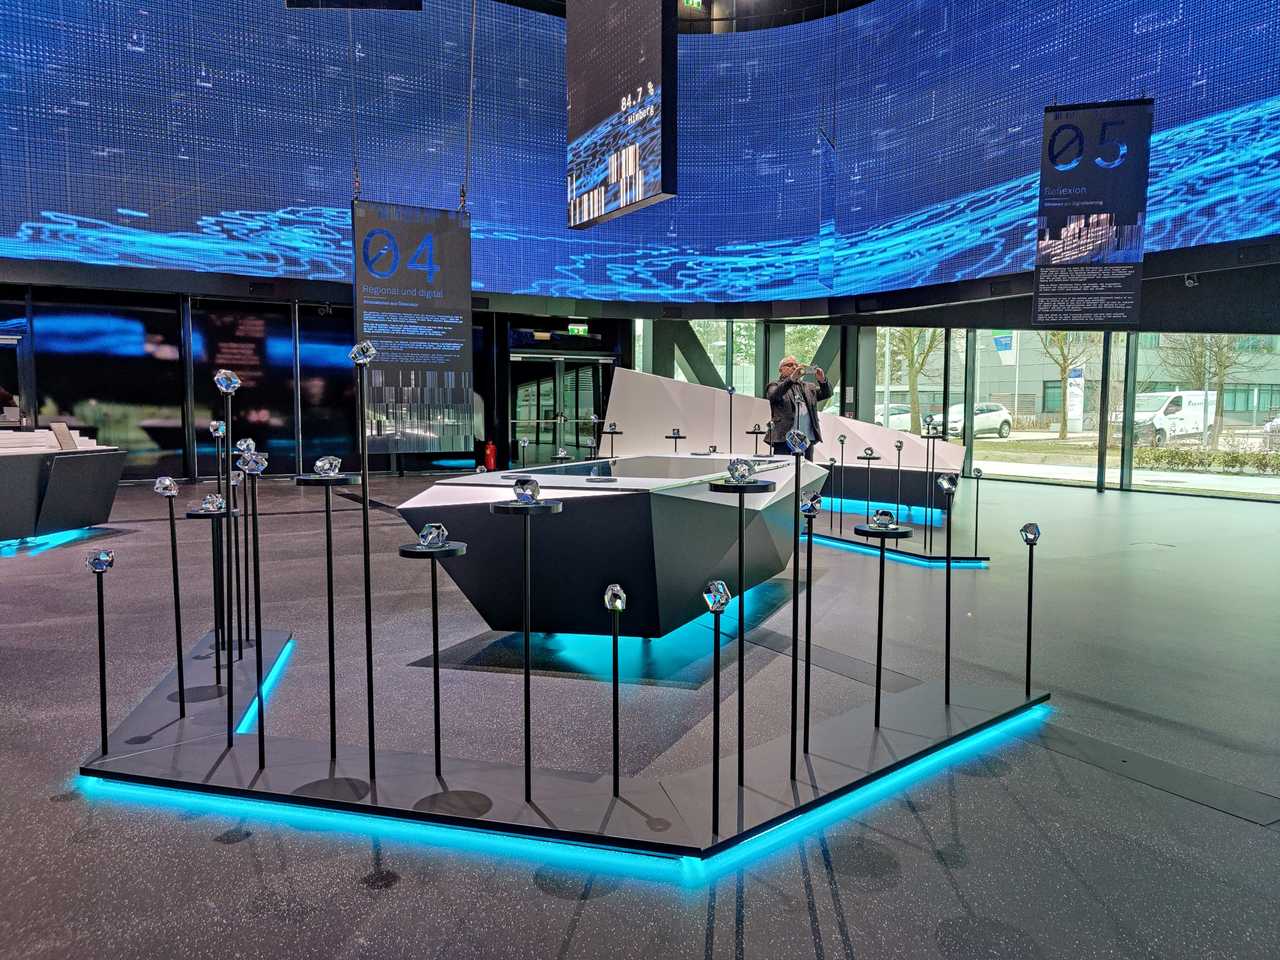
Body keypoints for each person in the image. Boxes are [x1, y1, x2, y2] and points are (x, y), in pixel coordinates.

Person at [766, 356, 831, 460]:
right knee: (784, 468)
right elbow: (774, 396)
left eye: (796, 365)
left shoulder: (808, 387)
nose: (794, 367)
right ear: (780, 370)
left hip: (806, 438)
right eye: (790, 365)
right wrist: (791, 379)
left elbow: (827, 393)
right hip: (784, 438)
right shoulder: (774, 385)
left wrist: (822, 380)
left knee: (807, 468)